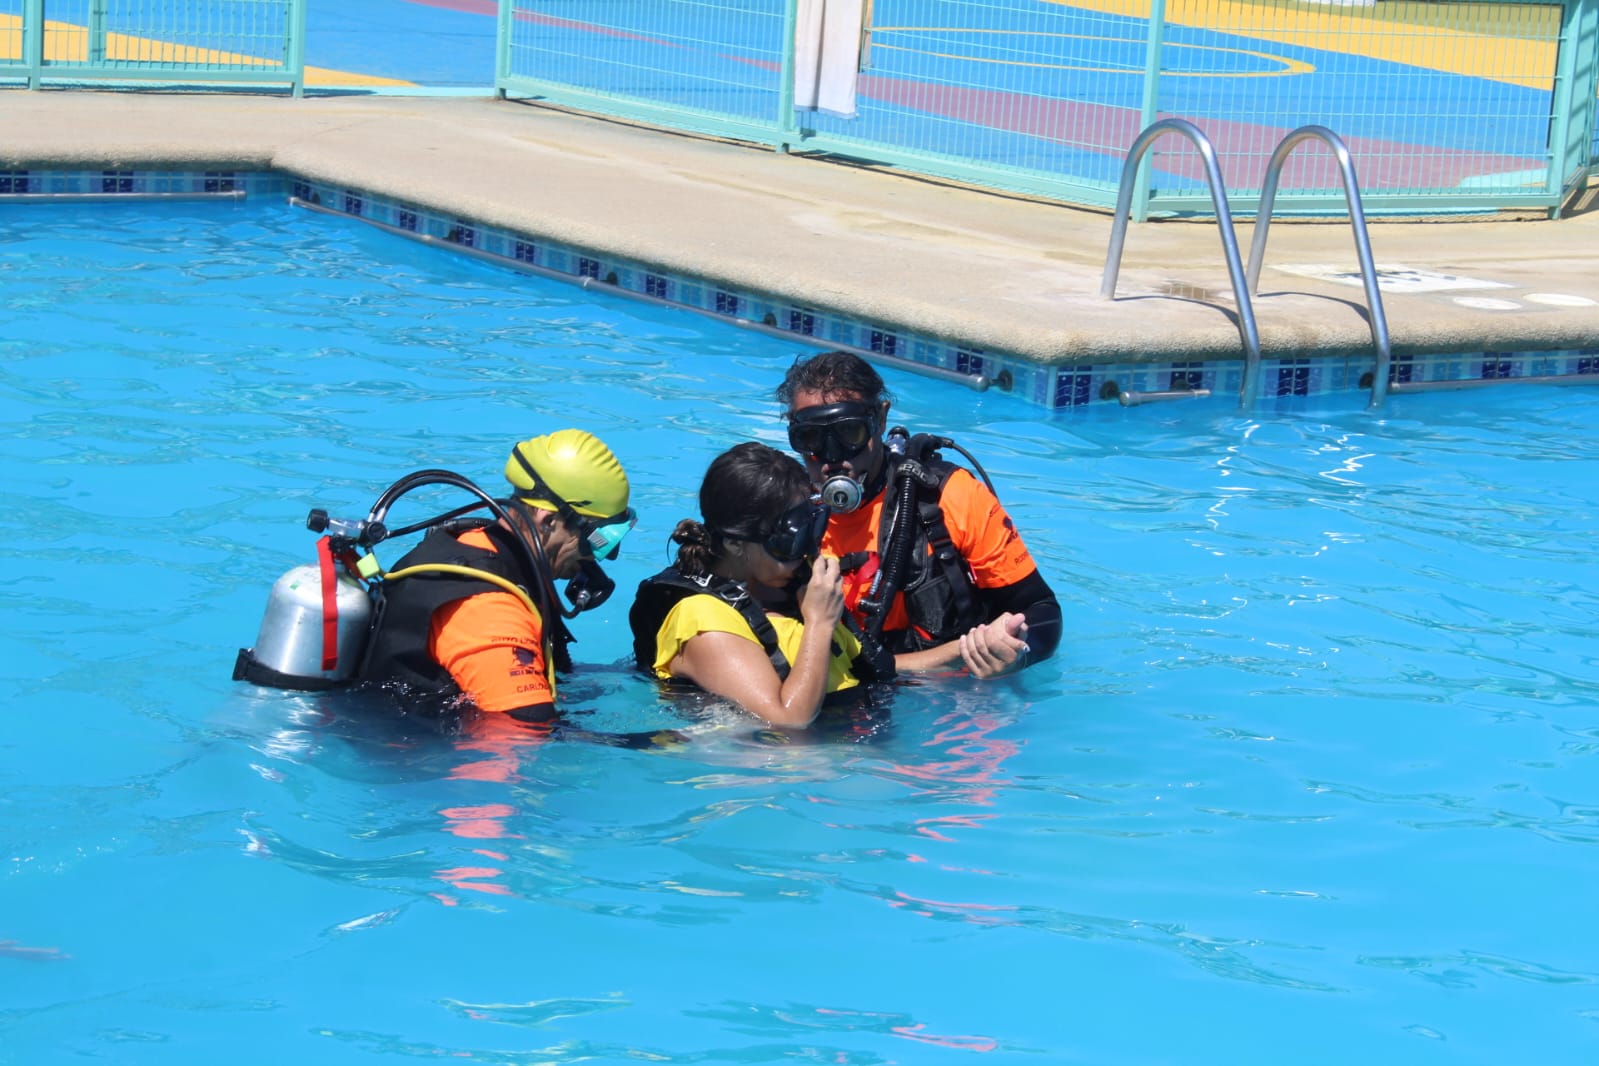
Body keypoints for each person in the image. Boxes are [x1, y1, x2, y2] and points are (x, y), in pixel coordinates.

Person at [775, 350, 1062, 678]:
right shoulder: (787, 509)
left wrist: (1017, 653)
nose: (832, 458)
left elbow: (1043, 611)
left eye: (849, 433)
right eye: (810, 439)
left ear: (880, 420)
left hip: (951, 696)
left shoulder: (949, 497)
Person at [356, 429, 638, 725]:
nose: (603, 555)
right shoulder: (488, 608)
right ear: (548, 521)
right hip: (415, 761)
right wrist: (660, 743)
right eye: (598, 539)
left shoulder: (490, 548)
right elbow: (523, 735)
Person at [628, 441, 895, 729]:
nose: (804, 553)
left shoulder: (793, 596)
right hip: (771, 769)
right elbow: (788, 720)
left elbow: (876, 667)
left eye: (810, 530)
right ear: (734, 543)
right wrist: (819, 623)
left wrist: (950, 653)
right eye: (789, 543)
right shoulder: (702, 622)